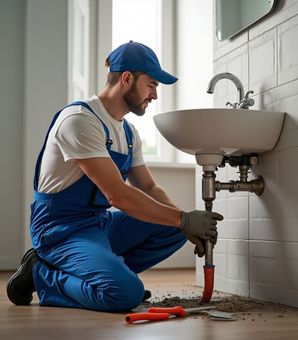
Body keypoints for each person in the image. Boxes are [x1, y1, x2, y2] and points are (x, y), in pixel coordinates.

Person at [7, 41, 223, 312]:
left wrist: (184, 223)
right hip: (59, 229)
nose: (155, 95)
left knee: (172, 226)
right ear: (127, 78)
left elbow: (148, 186)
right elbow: (117, 195)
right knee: (124, 295)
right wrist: (183, 219)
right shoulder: (79, 120)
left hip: (99, 224)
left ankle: (106, 273)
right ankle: (41, 273)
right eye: (152, 85)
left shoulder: (128, 133)